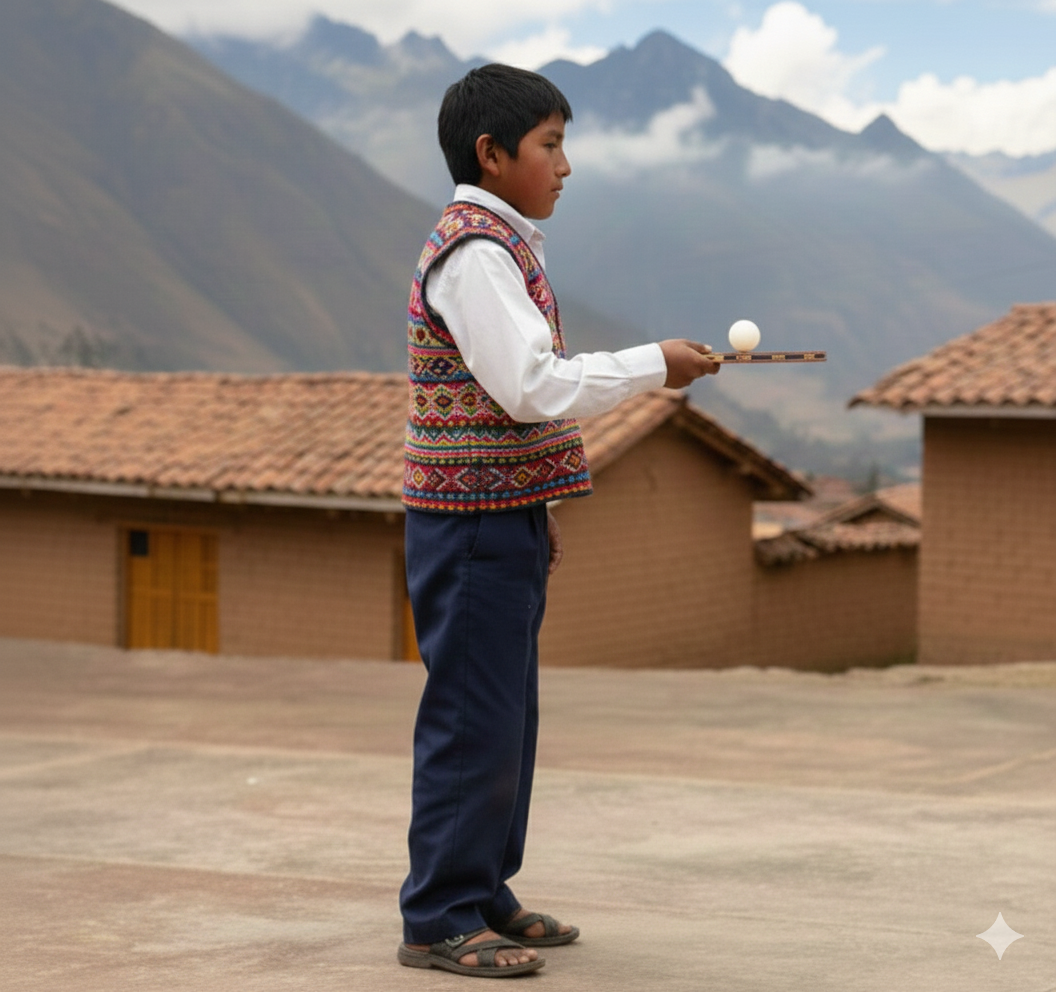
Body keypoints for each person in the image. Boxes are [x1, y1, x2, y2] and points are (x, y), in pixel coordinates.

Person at [398, 63, 719, 978]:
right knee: (471, 717)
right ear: (491, 155)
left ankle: (483, 890)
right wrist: (652, 363)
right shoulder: (476, 254)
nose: (566, 164)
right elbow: (533, 386)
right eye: (550, 145)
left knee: (506, 717)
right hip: (467, 526)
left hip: (498, 517)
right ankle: (438, 916)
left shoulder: (504, 243)